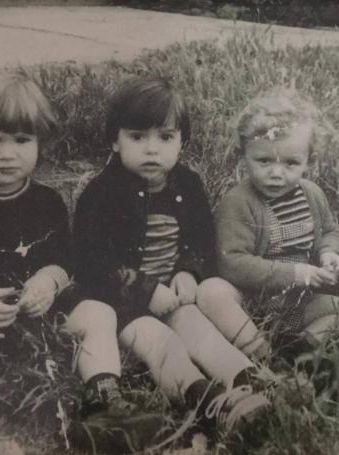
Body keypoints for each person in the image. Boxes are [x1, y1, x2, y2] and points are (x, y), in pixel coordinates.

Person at [0, 74, 165, 455]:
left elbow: (66, 257)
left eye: (22, 140)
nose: (8, 154)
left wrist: (48, 281)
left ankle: (104, 403)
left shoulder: (48, 201)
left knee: (97, 313)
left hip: (45, 317)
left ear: (41, 145)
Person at [72, 76, 270, 440]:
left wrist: (187, 271)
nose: (152, 149)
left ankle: (253, 383)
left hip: (174, 297)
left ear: (182, 141)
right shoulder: (100, 194)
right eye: (137, 137)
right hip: (124, 307)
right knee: (162, 344)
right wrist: (145, 289)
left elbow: (200, 240)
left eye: (165, 137)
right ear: (114, 141)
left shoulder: (188, 184)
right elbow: (92, 260)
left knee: (200, 330)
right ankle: (204, 400)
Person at [196, 88, 339, 368]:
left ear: (309, 162)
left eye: (290, 163)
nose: (276, 173)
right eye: (264, 161)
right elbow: (232, 263)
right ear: (243, 156)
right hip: (249, 304)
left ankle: (299, 348)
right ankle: (260, 351)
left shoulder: (312, 194)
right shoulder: (238, 202)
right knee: (212, 292)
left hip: (297, 304)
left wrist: (328, 255)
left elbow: (329, 232)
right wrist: (296, 273)